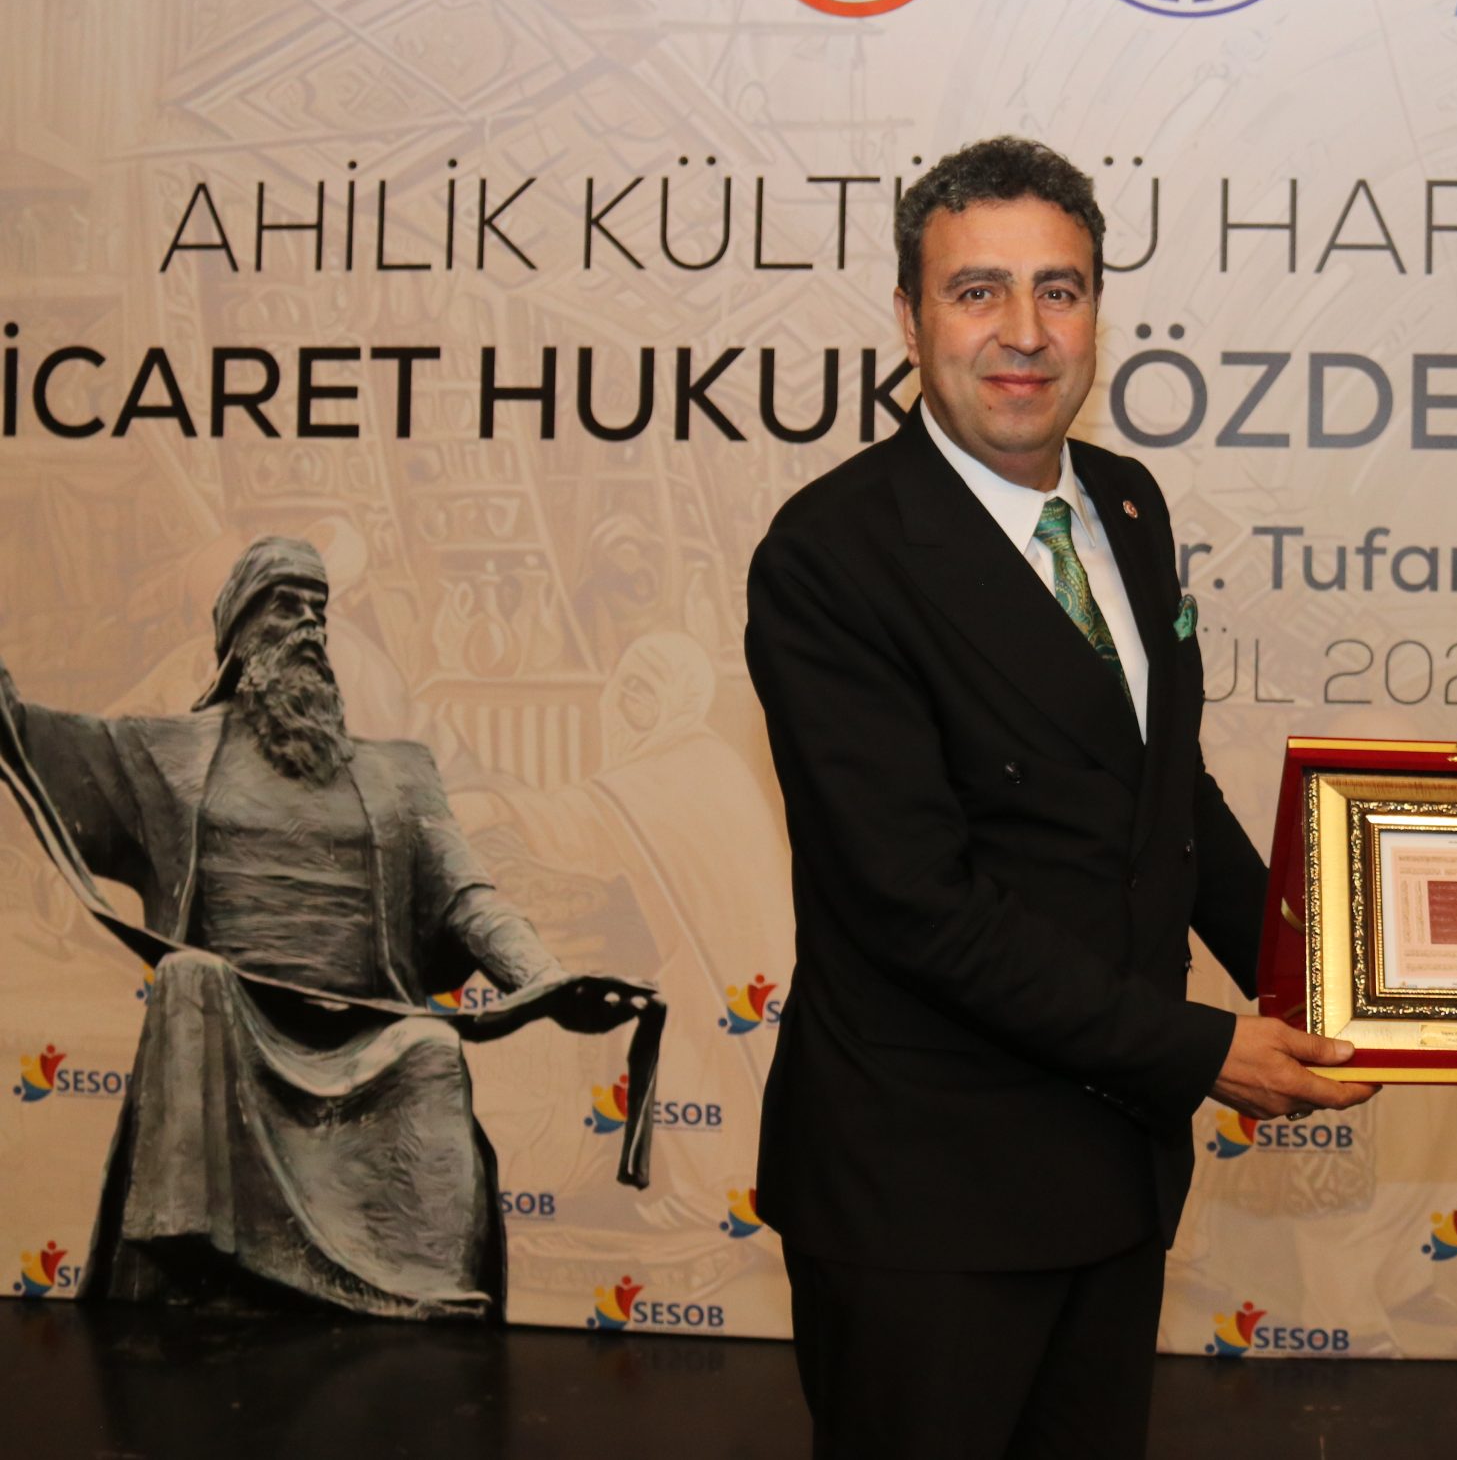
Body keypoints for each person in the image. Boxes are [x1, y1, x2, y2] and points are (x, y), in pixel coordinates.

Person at [744, 135, 1372, 1459]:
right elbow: (918, 906)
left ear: (1097, 309)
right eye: (977, 291)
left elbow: (1165, 795)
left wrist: (1331, 968)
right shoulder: (831, 555)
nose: (1023, 332)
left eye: (1059, 289)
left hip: (1112, 1169)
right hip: (928, 1196)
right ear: (910, 316)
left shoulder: (1127, 506)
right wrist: (1203, 1050)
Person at [0, 536, 604, 1319]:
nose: (311, 624)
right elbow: (33, 737)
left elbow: (468, 897)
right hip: (230, 1031)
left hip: (373, 1037)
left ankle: (426, 1297)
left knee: (432, 1047)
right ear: (238, 635)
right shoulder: (167, 755)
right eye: (286, 604)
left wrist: (547, 978)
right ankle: (189, 1268)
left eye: (319, 607)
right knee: (191, 977)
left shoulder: (401, 771)